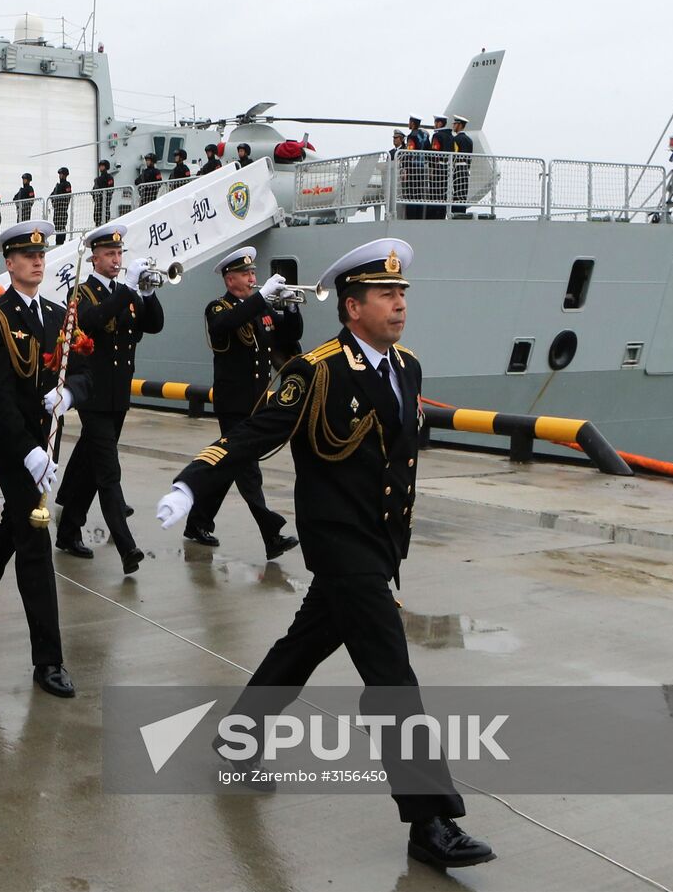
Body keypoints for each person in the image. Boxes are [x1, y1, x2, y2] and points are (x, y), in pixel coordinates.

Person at [155, 238, 496, 871]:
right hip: (339, 543)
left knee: (305, 643)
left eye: (402, 294)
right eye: (385, 295)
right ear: (351, 306)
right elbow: (253, 434)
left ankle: (240, 737)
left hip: (381, 542)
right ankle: (430, 820)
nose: (399, 305)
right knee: (391, 676)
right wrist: (191, 481)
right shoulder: (314, 371)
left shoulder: (407, 365)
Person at [0, 219, 91, 699]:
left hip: (46, 443)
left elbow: (84, 369)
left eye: (42, 254)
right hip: (15, 448)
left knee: (13, 527)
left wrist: (69, 394)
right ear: (9, 263)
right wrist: (28, 452)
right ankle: (48, 661)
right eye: (27, 255)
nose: (37, 260)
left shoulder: (58, 315)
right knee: (34, 539)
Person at [54, 223, 163, 573]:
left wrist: (146, 292)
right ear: (96, 259)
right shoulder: (82, 293)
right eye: (110, 255)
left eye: (119, 254)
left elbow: (154, 325)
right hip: (93, 393)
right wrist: (128, 288)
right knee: (108, 471)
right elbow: (92, 321)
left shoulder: (127, 292)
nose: (117, 260)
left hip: (118, 394)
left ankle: (69, 528)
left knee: (90, 463)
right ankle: (127, 546)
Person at [181, 247, 301, 559]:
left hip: (258, 400)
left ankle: (197, 522)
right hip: (234, 403)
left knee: (228, 464)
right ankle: (271, 535)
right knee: (247, 470)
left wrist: (289, 308)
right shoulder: (218, 309)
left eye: (253, 273)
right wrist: (261, 300)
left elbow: (290, 335)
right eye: (246, 274)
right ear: (229, 278)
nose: (253, 278)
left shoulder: (258, 309)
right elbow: (226, 325)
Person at [401, 116, 429, 220]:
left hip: (413, 167)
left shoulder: (411, 136)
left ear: (412, 123)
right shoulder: (425, 135)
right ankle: (419, 216)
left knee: (411, 193)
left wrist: (405, 169)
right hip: (422, 168)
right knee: (419, 193)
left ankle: (411, 217)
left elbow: (409, 153)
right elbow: (428, 150)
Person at [427, 116, 453, 220]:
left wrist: (432, 168)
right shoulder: (451, 136)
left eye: (436, 122)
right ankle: (441, 215)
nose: (435, 124)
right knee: (443, 193)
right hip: (447, 168)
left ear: (440, 123)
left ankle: (433, 216)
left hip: (438, 167)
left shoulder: (437, 136)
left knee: (434, 192)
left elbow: (435, 153)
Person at [451, 115, 473, 215]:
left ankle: (456, 213)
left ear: (459, 125)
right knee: (463, 192)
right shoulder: (469, 140)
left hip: (458, 167)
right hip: (465, 169)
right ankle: (462, 213)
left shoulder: (456, 139)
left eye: (455, 124)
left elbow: (454, 155)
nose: (453, 126)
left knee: (456, 191)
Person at [50, 166, 72, 243]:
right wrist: (54, 202)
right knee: (57, 225)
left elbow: (67, 196)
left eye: (62, 174)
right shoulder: (57, 186)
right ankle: (58, 241)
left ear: (65, 175)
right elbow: (51, 195)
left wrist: (60, 202)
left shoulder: (67, 184)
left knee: (62, 225)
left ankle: (61, 242)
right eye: (60, 174)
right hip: (57, 209)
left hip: (62, 209)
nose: (60, 176)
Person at [92, 159, 116, 225]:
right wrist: (94, 195)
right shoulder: (97, 179)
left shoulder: (109, 177)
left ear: (106, 167)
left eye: (102, 166)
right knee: (97, 216)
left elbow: (110, 189)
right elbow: (94, 190)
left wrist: (105, 196)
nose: (101, 167)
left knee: (105, 216)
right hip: (98, 201)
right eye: (100, 166)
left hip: (105, 201)